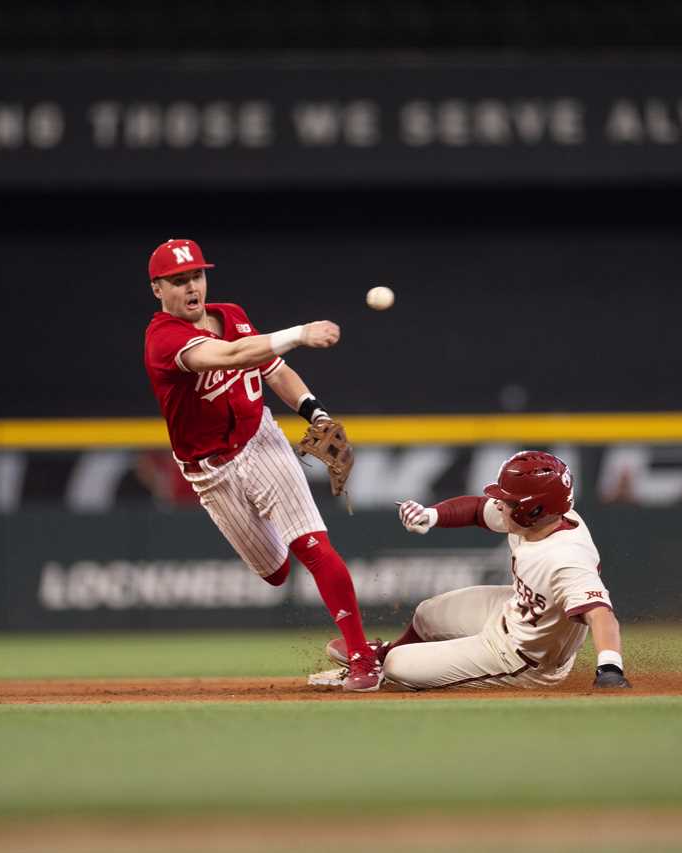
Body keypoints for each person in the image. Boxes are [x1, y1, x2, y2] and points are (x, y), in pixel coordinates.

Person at [143, 238, 383, 691]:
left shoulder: (230, 314)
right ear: (158, 289)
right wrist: (298, 333)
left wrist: (316, 412)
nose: (191, 286)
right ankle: (348, 637)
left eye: (196, 275)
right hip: (210, 472)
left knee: (312, 544)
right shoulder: (163, 340)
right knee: (275, 572)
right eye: (178, 280)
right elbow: (231, 355)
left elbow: (273, 370)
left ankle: (360, 656)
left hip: (261, 440)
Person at [325, 451, 631, 690]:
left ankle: (386, 667)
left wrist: (610, 669)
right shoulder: (538, 516)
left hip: (525, 658)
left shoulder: (566, 557)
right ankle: (375, 660)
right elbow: (475, 509)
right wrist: (431, 515)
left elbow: (601, 615)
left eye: (507, 500)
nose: (498, 504)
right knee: (427, 613)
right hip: (514, 613)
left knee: (398, 665)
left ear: (533, 508)